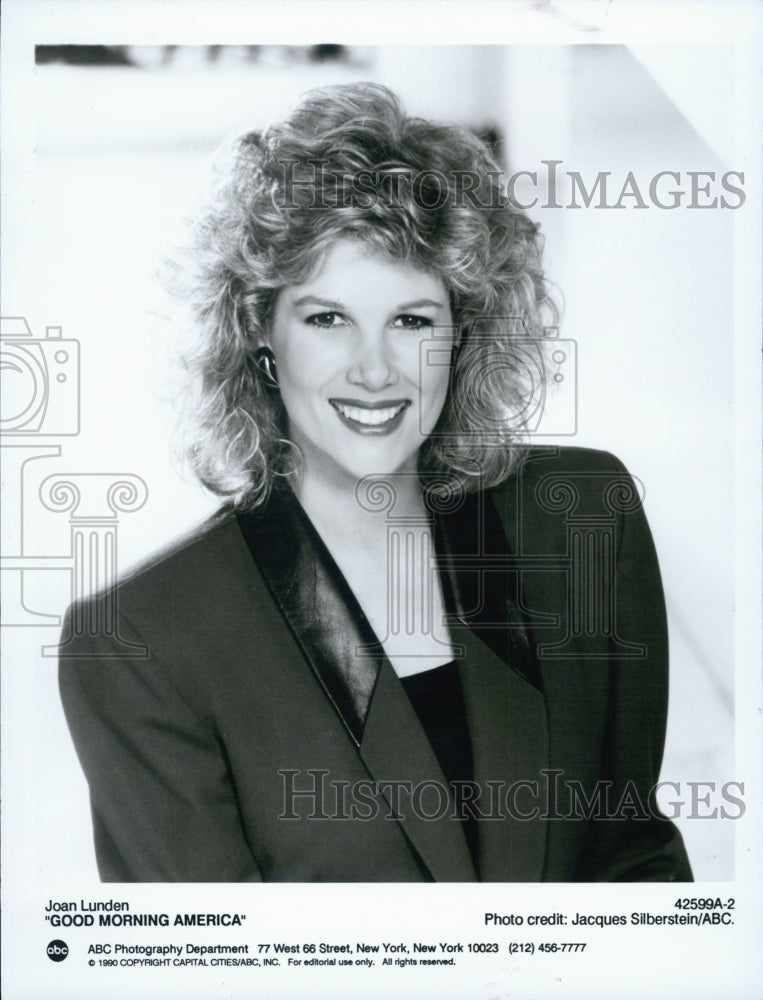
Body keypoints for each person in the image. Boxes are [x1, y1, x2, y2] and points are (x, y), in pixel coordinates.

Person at [59, 82, 692, 882]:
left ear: (463, 331)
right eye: (327, 318)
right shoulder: (139, 640)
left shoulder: (582, 519)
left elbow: (634, 860)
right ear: (258, 329)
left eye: (411, 319)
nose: (374, 370)